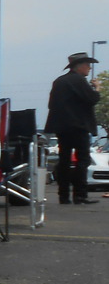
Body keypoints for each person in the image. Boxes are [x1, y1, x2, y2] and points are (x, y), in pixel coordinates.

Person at [45, 52, 102, 204]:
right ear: (80, 66)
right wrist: (96, 88)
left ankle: (63, 196)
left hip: (62, 128)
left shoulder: (59, 81)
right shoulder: (79, 80)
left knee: (64, 160)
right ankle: (80, 195)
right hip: (79, 126)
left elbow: (51, 105)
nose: (89, 68)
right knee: (82, 160)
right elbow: (92, 99)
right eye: (87, 65)